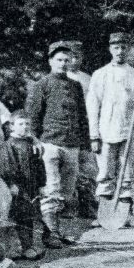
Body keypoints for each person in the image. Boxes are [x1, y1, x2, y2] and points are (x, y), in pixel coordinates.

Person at [25, 41, 89, 249]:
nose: (63, 63)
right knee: (51, 189)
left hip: (71, 145)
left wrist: (85, 144)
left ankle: (60, 232)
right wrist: (33, 142)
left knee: (67, 192)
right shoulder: (41, 85)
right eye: (59, 60)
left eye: (67, 60)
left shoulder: (75, 86)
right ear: (51, 61)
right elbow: (32, 117)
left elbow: (82, 117)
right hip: (49, 144)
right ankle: (50, 233)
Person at [86, 32, 134, 223]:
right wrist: (94, 135)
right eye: (116, 47)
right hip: (106, 129)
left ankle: (126, 214)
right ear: (110, 49)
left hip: (130, 130)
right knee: (105, 172)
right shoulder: (100, 74)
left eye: (123, 47)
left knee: (127, 171)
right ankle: (104, 214)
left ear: (128, 49)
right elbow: (92, 107)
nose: (120, 51)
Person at [0, 112, 46, 259]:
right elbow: (7, 167)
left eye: (27, 124)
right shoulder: (10, 145)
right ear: (12, 126)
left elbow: (39, 165)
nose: (25, 127)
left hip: (31, 186)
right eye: (21, 124)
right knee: (19, 216)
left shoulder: (32, 144)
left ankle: (28, 247)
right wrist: (12, 183)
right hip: (18, 188)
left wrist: (41, 184)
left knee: (29, 217)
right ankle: (16, 248)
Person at [65, 40, 99, 221]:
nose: (73, 60)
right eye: (69, 57)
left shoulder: (88, 79)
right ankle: (67, 206)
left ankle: (88, 205)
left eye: (77, 56)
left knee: (87, 168)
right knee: (68, 169)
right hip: (65, 130)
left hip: (84, 128)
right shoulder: (57, 78)